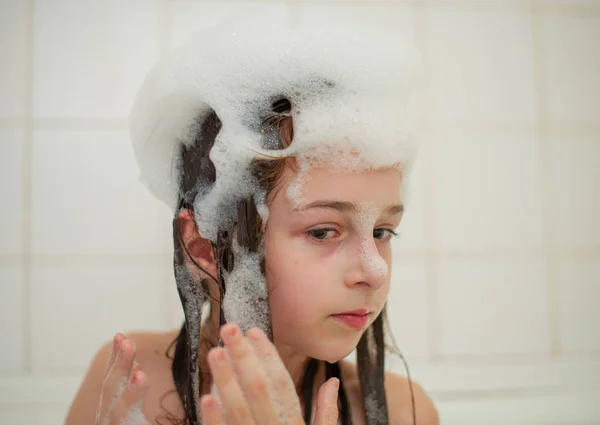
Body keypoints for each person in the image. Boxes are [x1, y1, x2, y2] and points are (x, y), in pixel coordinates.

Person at [64, 13, 439, 425]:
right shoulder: (128, 385)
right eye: (322, 231)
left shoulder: (405, 410)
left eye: (382, 231)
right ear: (203, 246)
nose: (374, 270)